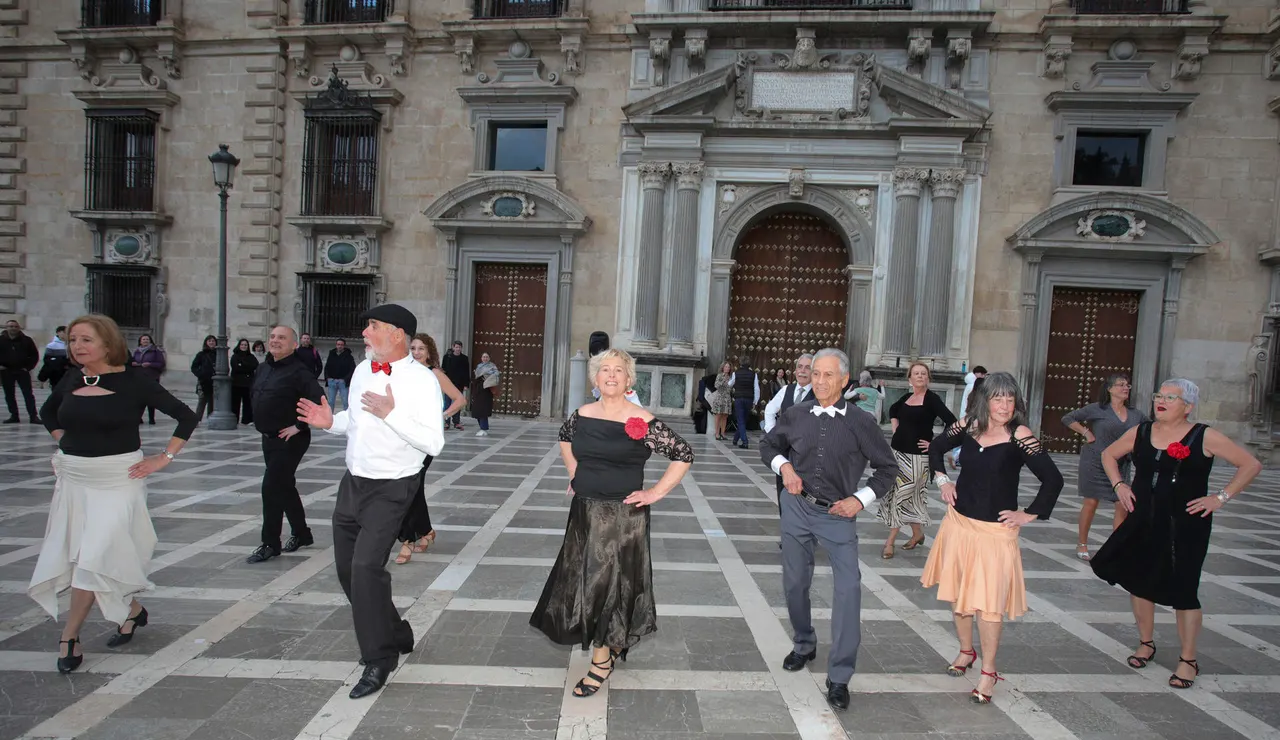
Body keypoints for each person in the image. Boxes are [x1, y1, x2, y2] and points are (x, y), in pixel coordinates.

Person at [28, 314, 197, 673]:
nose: (77, 346)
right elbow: (48, 413)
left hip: (118, 480)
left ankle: (69, 636)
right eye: (73, 340)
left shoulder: (135, 380)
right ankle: (132, 612)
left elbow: (186, 416)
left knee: (94, 557)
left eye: (86, 340)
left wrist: (163, 458)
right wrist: (65, 443)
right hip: (75, 480)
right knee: (84, 555)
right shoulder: (73, 377)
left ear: (108, 343)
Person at [297, 304, 445, 699]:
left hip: (394, 486)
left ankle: (380, 658)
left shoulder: (422, 381)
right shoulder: (364, 370)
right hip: (353, 483)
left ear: (397, 334)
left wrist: (392, 414)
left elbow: (434, 442)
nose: (364, 332)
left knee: (366, 568)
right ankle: (396, 630)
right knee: (348, 571)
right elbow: (356, 419)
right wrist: (332, 423)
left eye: (372, 326)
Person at [531, 348, 693, 698]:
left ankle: (601, 659)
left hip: (622, 517)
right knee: (587, 581)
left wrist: (655, 493)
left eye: (619, 370)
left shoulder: (641, 419)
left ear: (628, 379)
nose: (611, 375)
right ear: (595, 378)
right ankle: (611, 640)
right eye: (605, 370)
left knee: (603, 585)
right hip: (585, 512)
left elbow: (683, 453)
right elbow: (564, 437)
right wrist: (576, 472)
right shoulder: (582, 414)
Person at [1091, 379, 1262, 690]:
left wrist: (1220, 498)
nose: (1162, 401)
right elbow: (1108, 455)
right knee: (1139, 582)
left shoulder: (1203, 435)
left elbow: (1250, 464)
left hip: (1185, 525)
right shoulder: (1142, 431)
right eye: (1159, 395)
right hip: (1143, 519)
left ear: (1188, 406)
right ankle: (1146, 643)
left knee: (1184, 588)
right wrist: (1119, 485)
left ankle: (1188, 659)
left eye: (1171, 397)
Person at [760, 348, 898, 711]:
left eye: (827, 375)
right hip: (796, 507)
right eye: (815, 374)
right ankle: (804, 643)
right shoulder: (796, 414)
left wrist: (860, 499)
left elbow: (887, 468)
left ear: (844, 380)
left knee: (849, 589)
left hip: (838, 513)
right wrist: (784, 469)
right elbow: (769, 444)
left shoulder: (861, 422)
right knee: (794, 582)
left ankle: (839, 676)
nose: (818, 381)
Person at [922, 372, 1064, 704]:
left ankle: (988, 671)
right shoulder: (969, 424)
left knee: (989, 607)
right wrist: (943, 479)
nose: (1003, 405)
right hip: (959, 525)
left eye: (1009, 399)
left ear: (1017, 404)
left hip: (995, 534)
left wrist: (1027, 513)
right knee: (959, 598)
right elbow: (937, 447)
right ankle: (966, 651)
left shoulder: (1020, 435)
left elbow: (1053, 479)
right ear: (985, 400)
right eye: (997, 398)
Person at [247, 326, 322, 564]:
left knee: (271, 488)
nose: (275, 341)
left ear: (293, 345)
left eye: (282, 338)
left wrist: (299, 426)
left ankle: (270, 543)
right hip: (268, 438)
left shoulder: (300, 372)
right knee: (284, 486)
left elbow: (319, 401)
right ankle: (302, 534)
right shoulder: (263, 368)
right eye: (272, 337)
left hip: (290, 440)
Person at [394, 333, 466, 565]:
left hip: (424, 440)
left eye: (421, 349)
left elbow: (459, 400)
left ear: (429, 352)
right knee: (414, 488)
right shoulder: (403, 373)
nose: (416, 353)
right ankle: (426, 530)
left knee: (409, 487)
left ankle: (407, 540)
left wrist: (441, 416)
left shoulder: (434, 374)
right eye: (413, 348)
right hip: (404, 436)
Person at [1061, 373, 1146, 561]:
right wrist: (1085, 432)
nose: (1125, 388)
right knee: (1091, 502)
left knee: (1122, 504)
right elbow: (1068, 418)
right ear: (1109, 389)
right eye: (1121, 385)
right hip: (1094, 461)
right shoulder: (1097, 409)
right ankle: (1082, 542)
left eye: (1127, 385)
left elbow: (1148, 430)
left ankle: (1117, 546)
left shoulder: (1136, 414)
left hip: (1121, 464)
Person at [881, 362, 956, 559]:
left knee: (901, 495)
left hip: (918, 458)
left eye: (923, 373)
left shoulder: (932, 400)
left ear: (928, 378)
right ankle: (917, 534)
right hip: (897, 454)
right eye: (916, 373)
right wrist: (895, 426)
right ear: (910, 379)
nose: (920, 376)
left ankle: (890, 541)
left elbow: (953, 422)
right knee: (906, 497)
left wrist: (936, 444)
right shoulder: (906, 397)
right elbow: (893, 410)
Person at [762, 353, 814, 517]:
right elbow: (770, 410)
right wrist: (773, 434)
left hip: (807, 456)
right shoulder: (786, 390)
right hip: (784, 453)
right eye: (800, 367)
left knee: (805, 496)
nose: (802, 371)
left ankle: (803, 534)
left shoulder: (820, 393)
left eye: (807, 367)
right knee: (783, 493)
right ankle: (787, 535)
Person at [0, 318, 40, 423]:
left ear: (19, 328)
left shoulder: (27, 340)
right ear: (6, 328)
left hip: (22, 371)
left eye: (15, 326)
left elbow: (34, 355)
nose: (13, 328)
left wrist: (28, 368)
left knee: (28, 394)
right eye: (11, 326)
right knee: (9, 394)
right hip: (6, 371)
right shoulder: (1, 340)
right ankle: (14, 415)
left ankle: (33, 416)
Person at [949, 366, 987, 469]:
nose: (984, 377)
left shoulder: (969, 385)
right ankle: (957, 456)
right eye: (983, 374)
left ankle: (956, 456)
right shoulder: (974, 386)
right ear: (979, 373)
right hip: (974, 417)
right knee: (972, 439)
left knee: (966, 438)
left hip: (967, 415)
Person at [130, 334, 166, 425]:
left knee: (151, 399)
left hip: (151, 377)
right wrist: (133, 363)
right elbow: (132, 361)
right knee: (139, 399)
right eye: (143, 339)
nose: (145, 341)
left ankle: (151, 418)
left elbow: (161, 364)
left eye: (147, 339)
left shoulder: (155, 351)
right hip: (139, 377)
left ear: (150, 341)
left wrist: (150, 364)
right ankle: (139, 418)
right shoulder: (137, 351)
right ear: (140, 341)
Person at [728, 356, 760, 448]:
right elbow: (756, 388)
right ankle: (735, 439)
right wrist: (756, 401)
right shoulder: (753, 374)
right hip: (749, 399)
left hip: (739, 399)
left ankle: (745, 441)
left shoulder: (736, 373)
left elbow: (730, 384)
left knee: (741, 420)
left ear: (740, 363)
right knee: (743, 420)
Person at [441, 341, 471, 430]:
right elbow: (443, 371)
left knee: (458, 403)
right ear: (453, 347)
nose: (458, 349)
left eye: (459, 347)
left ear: (461, 348)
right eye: (456, 347)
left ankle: (456, 422)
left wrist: (466, 384)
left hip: (459, 384)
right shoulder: (447, 357)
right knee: (447, 403)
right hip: (448, 384)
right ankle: (446, 422)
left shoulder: (464, 358)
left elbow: (466, 372)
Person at [230, 338, 259, 426]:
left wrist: (242, 365)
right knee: (235, 403)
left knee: (247, 403)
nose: (244, 346)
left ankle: (247, 420)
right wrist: (246, 367)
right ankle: (234, 419)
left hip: (248, 384)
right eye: (242, 345)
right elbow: (236, 367)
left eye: (245, 345)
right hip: (236, 383)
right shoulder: (235, 356)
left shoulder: (251, 356)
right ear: (239, 345)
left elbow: (255, 365)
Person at [470, 353, 499, 437]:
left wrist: (487, 381)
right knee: (477, 410)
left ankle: (484, 428)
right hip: (478, 390)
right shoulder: (479, 366)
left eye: (486, 357)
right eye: (483, 357)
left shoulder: (492, 367)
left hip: (486, 391)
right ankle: (481, 427)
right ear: (481, 358)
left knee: (483, 410)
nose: (485, 358)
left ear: (489, 358)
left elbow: (496, 376)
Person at [324, 338, 356, 412]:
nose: (340, 346)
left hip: (343, 383)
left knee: (345, 402)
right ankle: (330, 418)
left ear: (344, 346)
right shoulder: (331, 354)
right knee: (330, 402)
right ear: (336, 345)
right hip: (332, 381)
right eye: (338, 344)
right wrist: (327, 378)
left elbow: (352, 369)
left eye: (341, 345)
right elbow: (327, 367)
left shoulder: (349, 356)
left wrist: (345, 379)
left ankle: (346, 418)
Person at [190, 335, 218, 420]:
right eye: (209, 341)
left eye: (213, 341)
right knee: (202, 401)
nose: (211, 342)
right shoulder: (201, 354)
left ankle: (210, 418)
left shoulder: (219, 354)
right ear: (206, 342)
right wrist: (201, 374)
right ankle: (196, 419)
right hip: (203, 381)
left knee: (212, 401)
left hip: (214, 381)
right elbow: (194, 367)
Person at [708, 361, 733, 441]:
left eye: (728, 367)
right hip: (719, 398)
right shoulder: (719, 376)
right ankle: (717, 433)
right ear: (723, 367)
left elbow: (730, 388)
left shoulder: (731, 377)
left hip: (727, 398)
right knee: (718, 416)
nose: (727, 369)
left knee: (725, 416)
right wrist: (723, 380)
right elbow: (716, 385)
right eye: (726, 367)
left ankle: (723, 433)